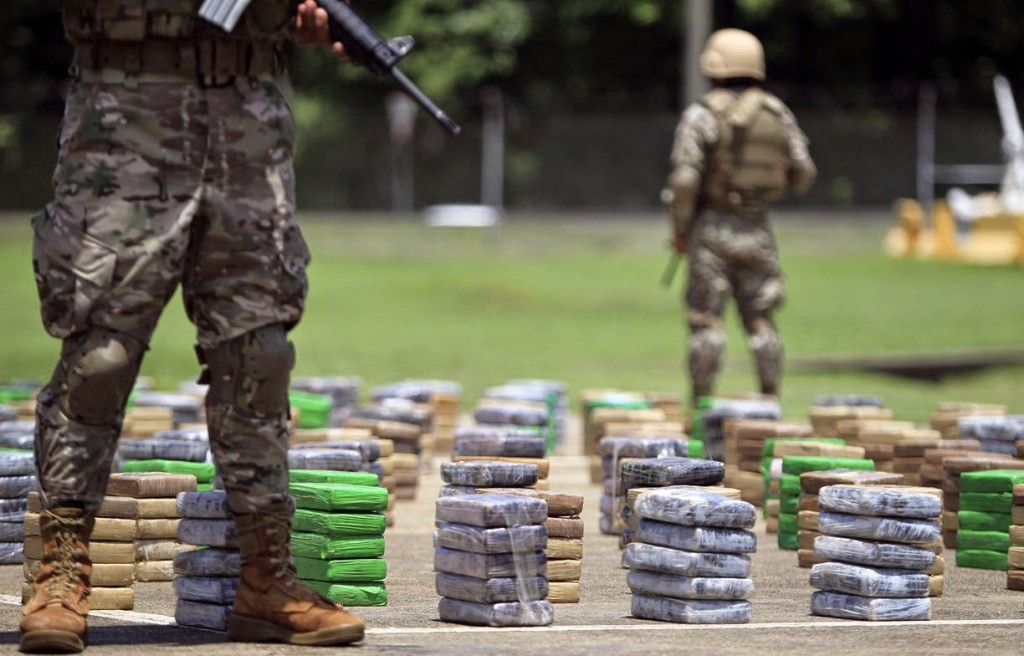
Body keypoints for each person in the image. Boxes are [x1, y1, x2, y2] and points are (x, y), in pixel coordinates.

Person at [22, 1, 363, 651]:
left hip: (246, 115)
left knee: (258, 351)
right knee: (102, 352)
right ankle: (60, 573)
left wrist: (305, 17)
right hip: (124, 113)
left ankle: (267, 578)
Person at [661, 28, 816, 405]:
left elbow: (684, 180)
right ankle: (770, 401)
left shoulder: (702, 115)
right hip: (758, 230)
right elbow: (804, 172)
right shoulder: (777, 114)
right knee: (761, 319)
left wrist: (681, 227)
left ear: (714, 67)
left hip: (711, 230)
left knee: (706, 322)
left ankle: (701, 407)